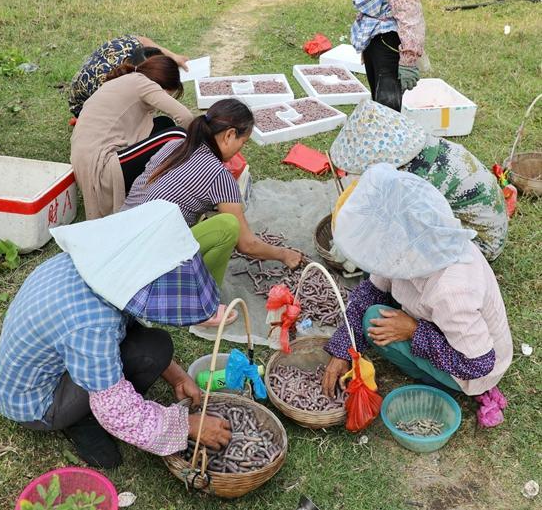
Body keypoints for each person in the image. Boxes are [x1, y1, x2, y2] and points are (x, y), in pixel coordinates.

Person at [0, 201, 233, 469]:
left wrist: (176, 376)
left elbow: (126, 323)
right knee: (117, 390)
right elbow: (117, 409)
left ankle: (85, 406)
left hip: (55, 364)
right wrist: (188, 425)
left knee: (157, 347)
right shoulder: (92, 325)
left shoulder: (95, 264)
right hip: (38, 404)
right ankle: (79, 419)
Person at [322, 164, 512, 426]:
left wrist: (413, 330)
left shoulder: (451, 290)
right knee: (370, 288)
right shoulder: (411, 245)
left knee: (374, 320)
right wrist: (343, 350)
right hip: (448, 330)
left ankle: (441, 382)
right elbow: (371, 291)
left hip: (473, 366)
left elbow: (479, 364)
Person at [123, 99, 303, 276]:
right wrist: (284, 254)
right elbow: (247, 245)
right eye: (243, 142)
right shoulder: (219, 176)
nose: (241, 149)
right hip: (145, 258)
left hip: (119, 233)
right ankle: (204, 294)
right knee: (228, 227)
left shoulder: (173, 145)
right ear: (229, 135)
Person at [330, 100, 508, 261]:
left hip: (479, 243)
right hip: (482, 222)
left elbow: (404, 222)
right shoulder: (424, 146)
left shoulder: (417, 178)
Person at [71, 55, 193, 220]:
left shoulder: (127, 81)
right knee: (177, 135)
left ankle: (159, 187)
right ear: (161, 85)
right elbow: (185, 118)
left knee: (164, 124)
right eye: (167, 95)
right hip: (101, 164)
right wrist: (198, 148)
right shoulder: (141, 83)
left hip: (86, 159)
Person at [68, 34, 189, 117]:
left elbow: (144, 40)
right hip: (84, 106)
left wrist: (173, 56)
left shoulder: (135, 49)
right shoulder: (109, 84)